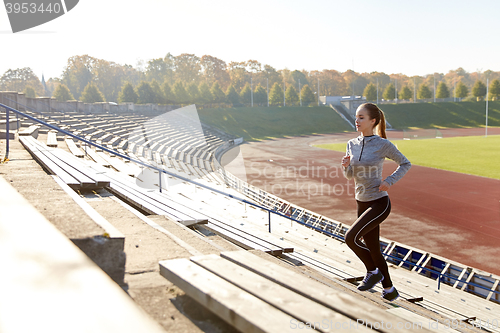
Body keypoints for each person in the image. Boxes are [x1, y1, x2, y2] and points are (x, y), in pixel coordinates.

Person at [341, 103, 411, 301]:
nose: (357, 121)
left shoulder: (382, 144)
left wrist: (389, 181)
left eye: (361, 117)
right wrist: (346, 167)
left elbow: (405, 163)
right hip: (361, 201)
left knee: (350, 238)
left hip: (379, 203)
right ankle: (389, 289)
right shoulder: (351, 144)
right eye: (356, 117)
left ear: (373, 121)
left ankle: (373, 271)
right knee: (374, 249)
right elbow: (349, 176)